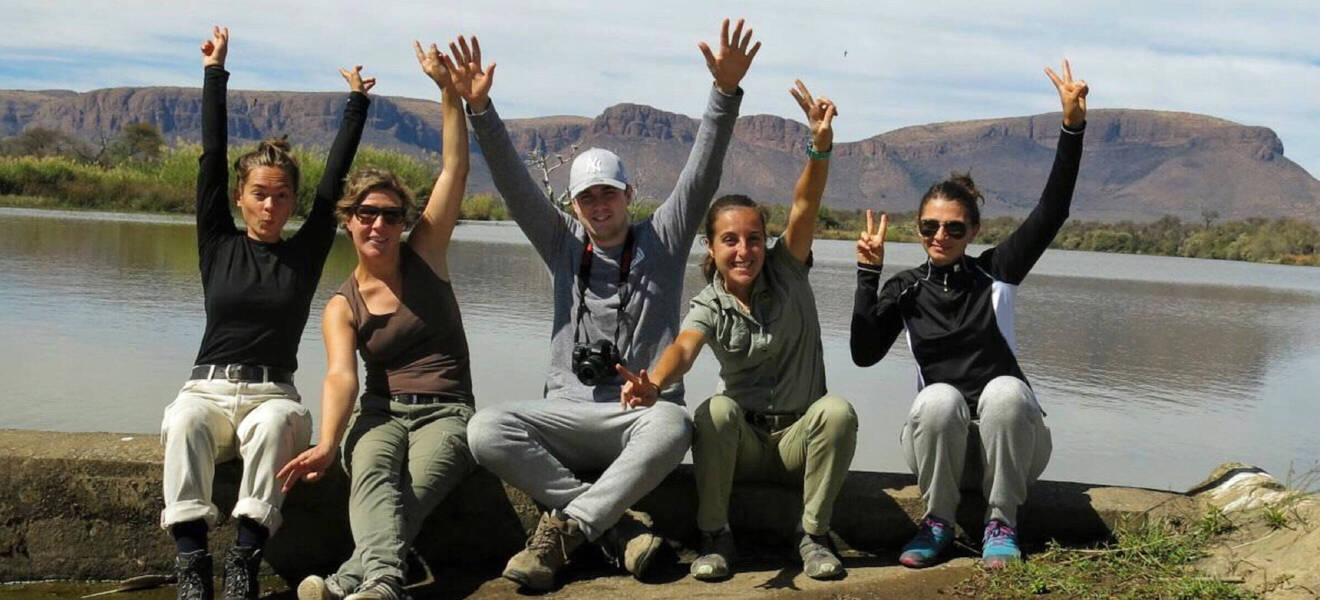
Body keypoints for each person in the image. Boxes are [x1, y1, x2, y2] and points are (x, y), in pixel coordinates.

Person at [451, 19, 759, 591]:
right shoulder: (562, 245)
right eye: (586, 197)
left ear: (628, 197)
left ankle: (565, 530)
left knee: (674, 424)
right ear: (574, 205)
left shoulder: (662, 242)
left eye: (607, 194)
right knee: (486, 429)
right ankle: (611, 528)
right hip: (567, 411)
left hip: (636, 415)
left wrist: (724, 95)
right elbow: (515, 184)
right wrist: (481, 112)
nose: (598, 206)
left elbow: (702, 172)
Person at [850, 61, 1089, 569]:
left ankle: (1002, 522)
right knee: (937, 398)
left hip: (1013, 448)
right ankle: (936, 520)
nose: (940, 236)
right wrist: (867, 276)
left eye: (953, 228)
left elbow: (1053, 210)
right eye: (929, 226)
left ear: (974, 232)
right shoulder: (906, 289)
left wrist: (1071, 128)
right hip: (943, 451)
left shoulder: (997, 274)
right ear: (917, 229)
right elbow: (863, 354)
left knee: (1005, 391)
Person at [159, 26, 370, 600]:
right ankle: (192, 566)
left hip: (272, 395)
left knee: (278, 425)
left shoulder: (302, 256)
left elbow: (331, 188)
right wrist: (214, 73)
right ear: (240, 198)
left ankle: (245, 563)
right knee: (180, 423)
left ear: (291, 202)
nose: (271, 205)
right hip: (205, 391)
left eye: (281, 196)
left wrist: (357, 104)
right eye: (259, 193)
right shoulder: (217, 243)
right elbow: (211, 155)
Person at [620, 82, 858, 582]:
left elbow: (804, 205)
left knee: (837, 411)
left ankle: (813, 537)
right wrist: (654, 384)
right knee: (714, 410)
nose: (744, 250)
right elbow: (684, 349)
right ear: (711, 247)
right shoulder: (710, 302)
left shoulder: (788, 270)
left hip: (800, 439)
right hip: (745, 444)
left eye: (753, 238)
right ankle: (716, 537)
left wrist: (819, 146)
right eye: (730, 240)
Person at [276, 43, 477, 600]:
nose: (380, 225)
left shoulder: (426, 254)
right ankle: (381, 578)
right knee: (368, 471)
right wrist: (327, 441)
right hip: (380, 412)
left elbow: (455, 167)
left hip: (447, 411)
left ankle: (361, 580)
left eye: (390, 215)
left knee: (408, 492)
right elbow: (342, 376)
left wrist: (447, 90)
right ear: (349, 222)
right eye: (368, 213)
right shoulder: (342, 305)